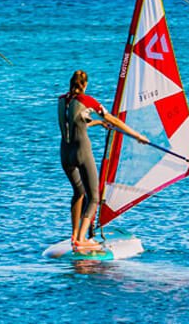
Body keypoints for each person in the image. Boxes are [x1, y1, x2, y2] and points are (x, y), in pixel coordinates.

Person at [58, 70, 148, 251]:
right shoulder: (87, 101)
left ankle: (75, 235)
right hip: (82, 152)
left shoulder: (61, 101)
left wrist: (97, 123)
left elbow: (75, 123)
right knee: (94, 198)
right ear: (84, 85)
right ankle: (82, 238)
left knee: (78, 192)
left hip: (65, 153)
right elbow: (112, 119)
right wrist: (137, 135)